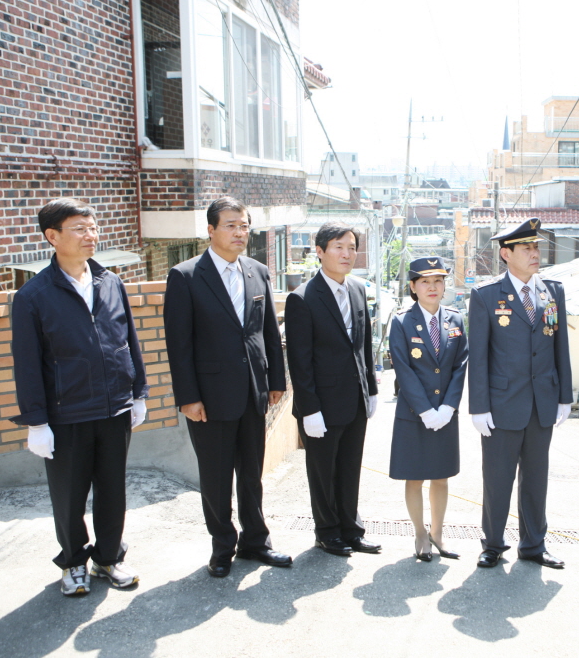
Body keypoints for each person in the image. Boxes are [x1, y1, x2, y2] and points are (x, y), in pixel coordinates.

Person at [11, 198, 148, 596]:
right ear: (52, 237)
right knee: (70, 495)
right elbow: (27, 364)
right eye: (80, 229)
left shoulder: (110, 282)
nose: (91, 235)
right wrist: (36, 422)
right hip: (65, 414)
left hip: (114, 407)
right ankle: (73, 563)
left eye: (93, 227)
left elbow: (129, 342)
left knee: (112, 489)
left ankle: (109, 557)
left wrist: (137, 392)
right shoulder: (33, 296)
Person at [163, 197, 291, 578]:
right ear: (211, 230)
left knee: (251, 473)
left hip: (254, 389)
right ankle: (222, 547)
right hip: (210, 396)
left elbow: (268, 329)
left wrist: (276, 381)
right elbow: (179, 344)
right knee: (216, 477)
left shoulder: (256, 271)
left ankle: (256, 541)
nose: (240, 232)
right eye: (231, 225)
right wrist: (188, 397)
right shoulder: (185, 276)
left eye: (245, 226)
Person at [468, 218, 573, 569]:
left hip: (542, 402)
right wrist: (478, 406)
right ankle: (493, 544)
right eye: (526, 248)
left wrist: (564, 396)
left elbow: (561, 347)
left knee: (536, 479)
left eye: (536, 246)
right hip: (500, 405)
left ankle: (534, 545)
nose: (534, 253)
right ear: (505, 254)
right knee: (497, 479)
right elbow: (479, 355)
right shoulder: (485, 296)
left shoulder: (552, 291)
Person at [285, 222, 381, 557]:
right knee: (323, 473)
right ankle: (327, 532)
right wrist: (309, 408)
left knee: (350, 468)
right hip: (321, 405)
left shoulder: (356, 288)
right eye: (338, 246)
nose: (346, 253)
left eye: (352, 247)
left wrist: (370, 389)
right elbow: (300, 360)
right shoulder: (303, 299)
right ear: (320, 251)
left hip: (354, 399)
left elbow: (364, 345)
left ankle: (351, 530)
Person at [388, 257, 468, 561]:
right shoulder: (401, 321)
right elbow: (403, 369)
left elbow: (462, 365)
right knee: (415, 476)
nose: (432, 287)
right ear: (413, 287)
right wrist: (425, 410)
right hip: (413, 414)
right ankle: (419, 534)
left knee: (441, 476)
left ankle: (437, 533)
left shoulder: (455, 319)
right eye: (425, 282)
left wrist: (448, 406)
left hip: (445, 413)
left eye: (438, 281)